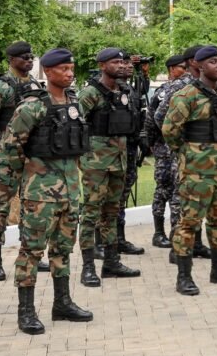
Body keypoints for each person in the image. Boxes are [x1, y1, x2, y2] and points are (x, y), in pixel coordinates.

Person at [0, 48, 93, 335]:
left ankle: (62, 303)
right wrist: (7, 192)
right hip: (39, 194)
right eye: (63, 69)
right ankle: (25, 311)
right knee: (31, 251)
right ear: (47, 72)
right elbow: (9, 149)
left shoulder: (75, 103)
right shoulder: (32, 107)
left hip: (70, 191)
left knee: (63, 249)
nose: (69, 73)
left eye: (71, 68)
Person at [161, 45, 217, 295]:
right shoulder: (186, 95)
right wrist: (188, 154)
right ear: (199, 66)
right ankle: (184, 276)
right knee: (189, 223)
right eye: (212, 62)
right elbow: (169, 131)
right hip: (197, 172)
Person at [75, 48, 141, 287]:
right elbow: (75, 126)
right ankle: (88, 267)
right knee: (91, 212)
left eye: (122, 61)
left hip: (119, 160)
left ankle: (111, 262)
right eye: (115, 62)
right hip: (96, 163)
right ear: (102, 65)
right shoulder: (90, 93)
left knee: (112, 212)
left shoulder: (124, 91)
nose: (120, 65)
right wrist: (81, 158)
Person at [0, 41, 44, 282]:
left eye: (31, 57)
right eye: (23, 57)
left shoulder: (34, 85)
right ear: (11, 60)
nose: (29, 61)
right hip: (5, 156)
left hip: (31, 155)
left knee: (31, 206)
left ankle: (29, 255)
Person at [146, 54, 187, 249]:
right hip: (164, 148)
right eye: (181, 67)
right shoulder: (164, 91)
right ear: (171, 70)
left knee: (177, 192)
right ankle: (158, 232)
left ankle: (175, 232)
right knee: (163, 189)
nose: (184, 71)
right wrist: (156, 143)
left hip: (178, 148)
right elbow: (152, 118)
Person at [115, 54, 147, 257]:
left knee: (122, 197)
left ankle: (119, 238)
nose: (127, 67)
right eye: (123, 63)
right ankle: (103, 241)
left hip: (131, 147)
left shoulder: (131, 88)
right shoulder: (112, 88)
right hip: (113, 152)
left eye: (129, 64)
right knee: (110, 199)